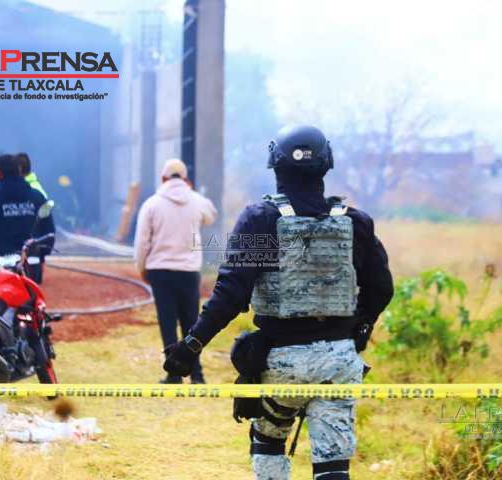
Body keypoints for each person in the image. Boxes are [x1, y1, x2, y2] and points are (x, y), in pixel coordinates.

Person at [163, 125, 394, 480]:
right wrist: (361, 327)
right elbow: (382, 289)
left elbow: (231, 294)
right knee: (333, 462)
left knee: (269, 441)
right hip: (339, 364)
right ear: (326, 164)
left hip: (280, 364)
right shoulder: (356, 222)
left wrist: (192, 345)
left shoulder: (261, 219)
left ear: (275, 165)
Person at [134, 158, 217, 384]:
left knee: (167, 323)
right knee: (192, 324)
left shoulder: (152, 204)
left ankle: (174, 374)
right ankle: (197, 375)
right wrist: (191, 191)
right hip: (189, 271)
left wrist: (142, 268)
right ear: (186, 179)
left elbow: (142, 242)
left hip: (160, 271)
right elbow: (211, 215)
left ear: (163, 178)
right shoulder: (197, 201)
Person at [0, 154, 55, 283]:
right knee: (29, 294)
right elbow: (49, 230)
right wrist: (42, 255)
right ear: (19, 171)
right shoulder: (38, 197)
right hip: (30, 263)